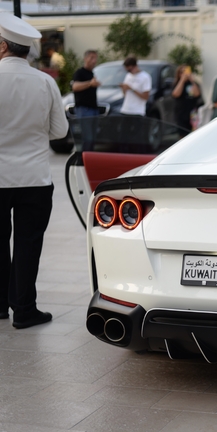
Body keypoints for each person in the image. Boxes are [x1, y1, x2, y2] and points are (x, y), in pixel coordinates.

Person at [0, 13, 68, 328]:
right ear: (26, 50)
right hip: (35, 178)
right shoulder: (45, 82)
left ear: (2, 46)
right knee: (28, 243)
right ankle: (24, 310)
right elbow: (58, 132)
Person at [119, 57, 152, 150]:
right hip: (126, 109)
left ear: (135, 66)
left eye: (129, 69)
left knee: (137, 137)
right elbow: (125, 93)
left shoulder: (145, 77)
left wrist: (131, 88)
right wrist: (124, 89)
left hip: (137, 111)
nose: (128, 72)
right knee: (123, 136)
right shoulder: (128, 76)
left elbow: (146, 96)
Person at [72, 49, 101, 151]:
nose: (94, 61)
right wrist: (89, 83)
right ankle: (82, 160)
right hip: (84, 110)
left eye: (95, 58)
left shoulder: (92, 73)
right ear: (85, 59)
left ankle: (89, 160)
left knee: (93, 138)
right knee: (87, 137)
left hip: (94, 109)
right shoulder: (80, 72)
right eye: (91, 58)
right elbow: (75, 86)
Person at [171, 64, 201, 136]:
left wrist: (192, 80)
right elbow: (175, 94)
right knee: (182, 135)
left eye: (186, 71)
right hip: (181, 114)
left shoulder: (193, 84)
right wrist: (182, 80)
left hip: (192, 114)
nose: (184, 74)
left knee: (194, 134)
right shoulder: (177, 84)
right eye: (182, 72)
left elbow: (197, 94)